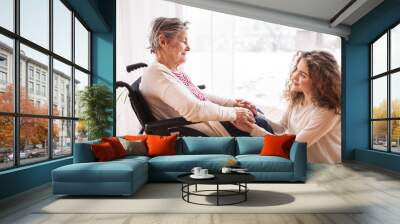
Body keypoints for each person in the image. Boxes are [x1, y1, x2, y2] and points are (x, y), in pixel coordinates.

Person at [140, 17, 273, 136]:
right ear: (163, 41)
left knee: (255, 112)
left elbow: (198, 94)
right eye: (184, 41)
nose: (188, 48)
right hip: (205, 128)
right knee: (260, 122)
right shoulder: (157, 74)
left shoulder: (172, 70)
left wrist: (232, 104)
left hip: (212, 121)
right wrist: (234, 113)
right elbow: (194, 110)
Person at [233, 50, 341, 164]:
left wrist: (252, 129)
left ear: (320, 83)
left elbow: (293, 147)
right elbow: (281, 128)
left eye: (303, 75)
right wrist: (255, 114)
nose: (294, 76)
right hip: (302, 164)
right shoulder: (299, 99)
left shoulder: (327, 111)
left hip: (323, 169)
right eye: (296, 70)